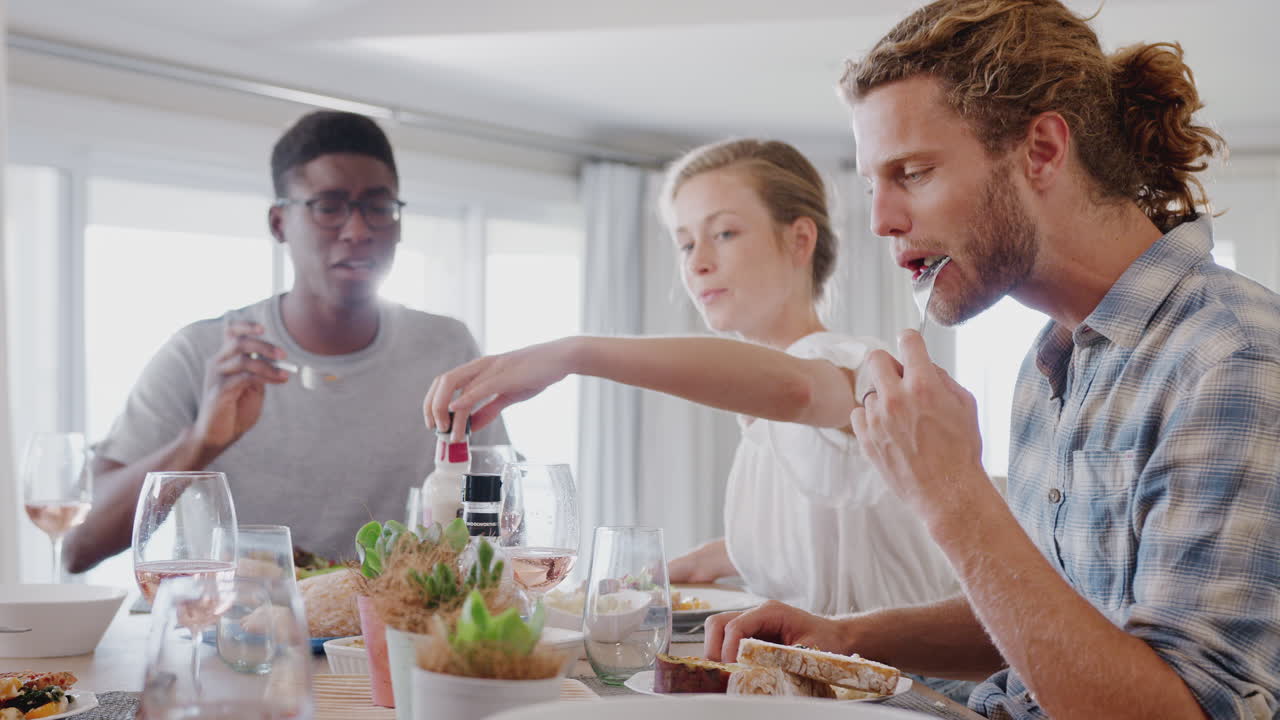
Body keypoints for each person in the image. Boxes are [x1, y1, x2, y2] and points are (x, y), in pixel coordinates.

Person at [703, 1, 1280, 718]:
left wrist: (950, 493)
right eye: (872, 185)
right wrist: (848, 638)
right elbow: (1052, 619)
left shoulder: (1231, 359)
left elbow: (1180, 711)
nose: (880, 219)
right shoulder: (1052, 363)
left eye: (911, 172)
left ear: (1041, 150)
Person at [424, 138, 957, 616]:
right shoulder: (760, 405)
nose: (698, 262)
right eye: (685, 242)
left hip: (900, 692)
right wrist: (714, 557)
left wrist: (574, 354)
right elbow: (836, 522)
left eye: (723, 233)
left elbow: (798, 389)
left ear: (799, 241)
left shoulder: (854, 361)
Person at [65, 110, 507, 572]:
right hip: (236, 635)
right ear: (279, 223)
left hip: (391, 633)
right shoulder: (203, 354)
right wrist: (200, 442)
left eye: (378, 206)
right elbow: (79, 545)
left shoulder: (445, 347)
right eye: (329, 206)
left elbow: (499, 510)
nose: (358, 231)